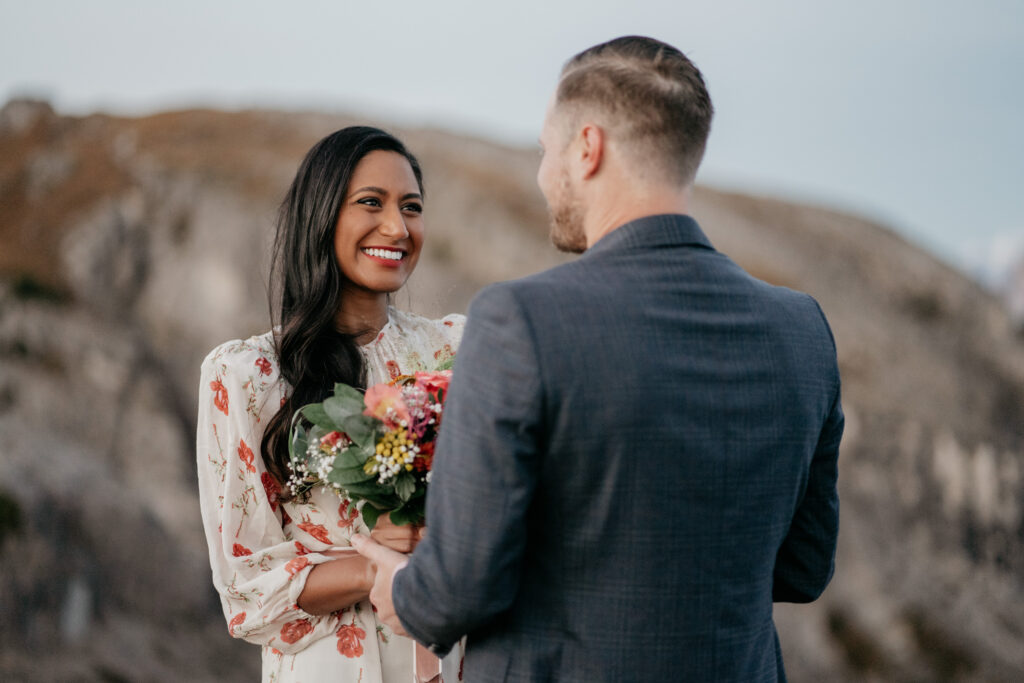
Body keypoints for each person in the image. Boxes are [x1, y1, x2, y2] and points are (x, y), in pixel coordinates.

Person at [352, 36, 843, 682]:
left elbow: (455, 593)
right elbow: (804, 567)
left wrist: (401, 586)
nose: (541, 173)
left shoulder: (520, 320)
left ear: (587, 148)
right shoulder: (802, 330)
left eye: (544, 150)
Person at [195, 126, 465, 683]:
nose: (397, 226)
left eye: (411, 207)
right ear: (321, 215)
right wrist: (376, 566)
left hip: (455, 658)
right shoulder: (248, 376)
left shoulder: (455, 352)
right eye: (371, 202)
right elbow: (246, 592)